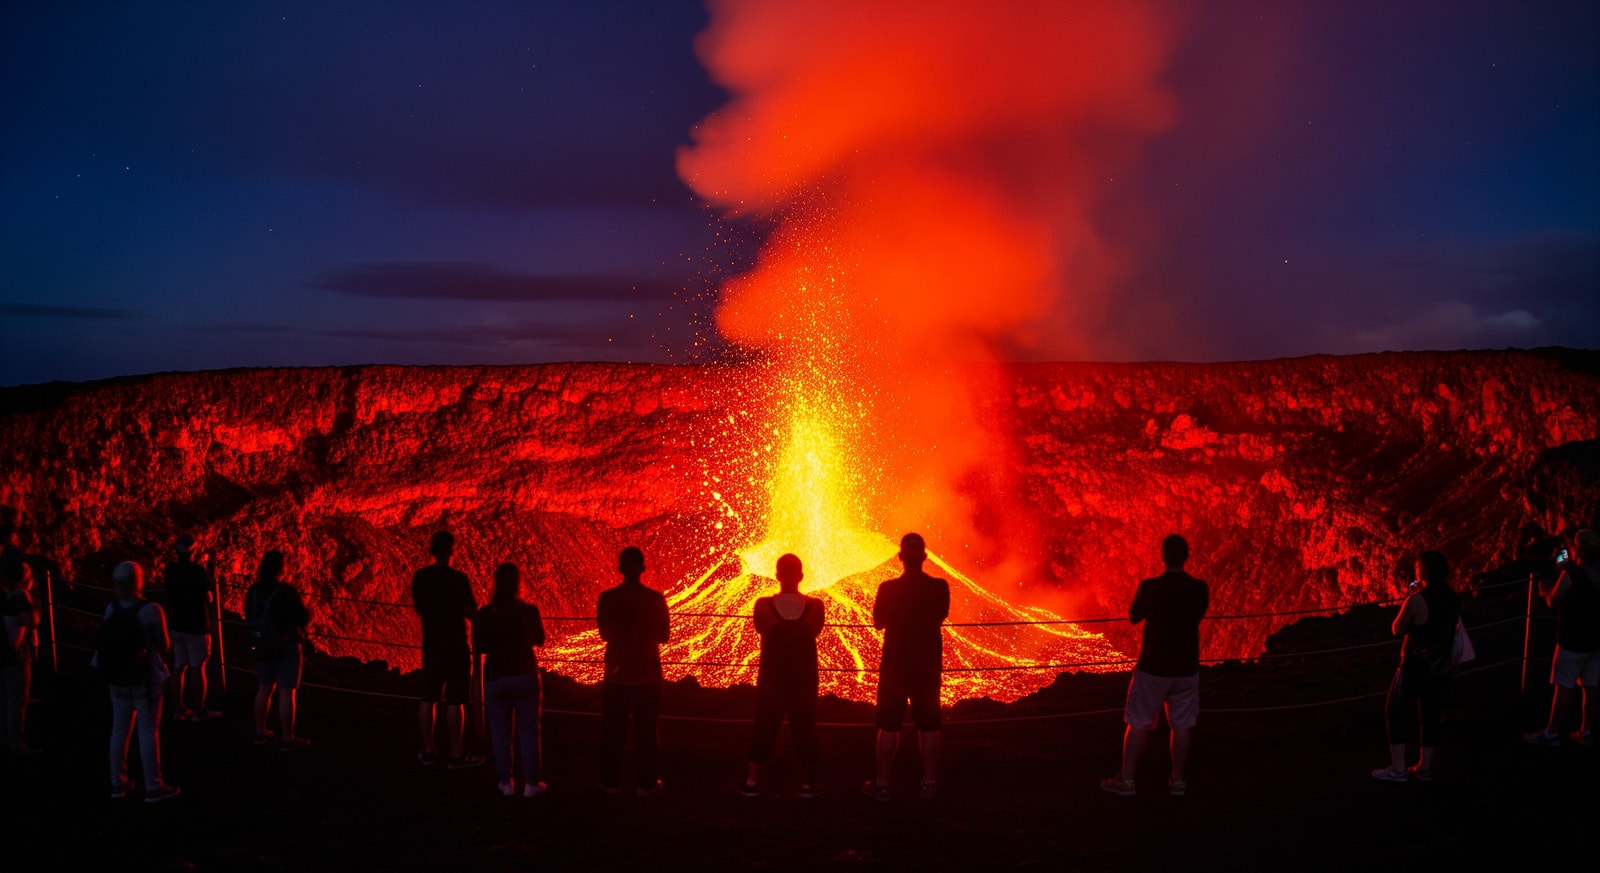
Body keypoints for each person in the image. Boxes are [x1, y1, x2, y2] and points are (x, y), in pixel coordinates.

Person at [1101, 534, 1210, 797]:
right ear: (1186, 557)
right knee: (1182, 724)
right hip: (1186, 667)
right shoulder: (1199, 588)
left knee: (1139, 721)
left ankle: (1126, 780)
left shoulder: (1150, 587)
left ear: (1163, 556)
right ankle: (1178, 781)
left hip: (1153, 667)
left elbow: (1134, 616)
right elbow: (1197, 615)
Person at [864, 533, 950, 801]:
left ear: (900, 557)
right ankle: (929, 783)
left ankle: (882, 784)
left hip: (895, 667)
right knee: (929, 725)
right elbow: (940, 616)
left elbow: (878, 622)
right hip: (926, 665)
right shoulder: (939, 587)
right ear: (924, 557)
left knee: (889, 725)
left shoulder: (888, 589)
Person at [741, 553, 825, 798]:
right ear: (801, 576)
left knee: (764, 728)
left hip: (772, 681)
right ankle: (807, 785)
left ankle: (751, 781)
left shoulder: (763, 607)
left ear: (777, 575)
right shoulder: (815, 607)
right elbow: (815, 631)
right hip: (804, 681)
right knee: (805, 730)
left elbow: (761, 628)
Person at [1372, 550, 1461, 782]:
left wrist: (1410, 598)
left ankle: (1398, 769)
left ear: (1424, 570)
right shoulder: (1453, 597)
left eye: (1418, 565)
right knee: (1431, 716)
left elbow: (1397, 628)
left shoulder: (1417, 599)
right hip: (1441, 667)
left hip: (1415, 667)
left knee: (1395, 712)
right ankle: (1424, 769)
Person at [99, 561, 180, 801]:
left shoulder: (111, 609)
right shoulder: (151, 610)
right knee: (148, 732)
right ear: (139, 581)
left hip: (116, 679)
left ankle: (118, 784)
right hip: (145, 680)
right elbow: (164, 646)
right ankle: (154, 786)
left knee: (119, 730)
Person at [597, 545, 670, 796]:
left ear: (620, 569)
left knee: (612, 732)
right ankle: (647, 784)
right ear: (642, 568)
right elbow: (664, 635)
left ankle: (610, 783)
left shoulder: (607, 598)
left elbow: (604, 633)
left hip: (616, 675)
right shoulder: (655, 599)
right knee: (647, 732)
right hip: (647, 674)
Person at [473, 562, 547, 797]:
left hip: (496, 677)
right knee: (528, 731)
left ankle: (505, 783)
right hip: (525, 674)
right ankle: (531, 785)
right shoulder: (528, 611)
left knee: (500, 732)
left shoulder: (486, 614)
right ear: (519, 584)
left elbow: (479, 645)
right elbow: (540, 639)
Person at [411, 531, 483, 769]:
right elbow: (471, 613)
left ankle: (428, 750)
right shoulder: (458, 579)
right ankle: (456, 754)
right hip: (455, 646)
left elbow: (420, 608)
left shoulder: (420, 577)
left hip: (432, 645)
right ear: (453, 551)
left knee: (428, 697)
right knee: (456, 700)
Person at [1524, 529, 1600, 746]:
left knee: (1563, 686)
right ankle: (1586, 731)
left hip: (1572, 639)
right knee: (1591, 685)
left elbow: (1553, 602)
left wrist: (1544, 591)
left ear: (1579, 550)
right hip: (1596, 640)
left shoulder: (1571, 574)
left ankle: (1551, 733)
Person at [246, 550, 311, 751]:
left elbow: (249, 616)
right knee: (286, 693)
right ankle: (287, 738)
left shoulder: (254, 591)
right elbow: (302, 617)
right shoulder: (286, 591)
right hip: (287, 645)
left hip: (262, 644)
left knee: (264, 688)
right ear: (281, 568)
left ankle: (260, 732)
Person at [162, 534, 220, 721]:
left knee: (179, 666)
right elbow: (209, 598)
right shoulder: (197, 571)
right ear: (193, 551)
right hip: (196, 625)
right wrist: (205, 570)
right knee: (198, 666)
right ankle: (199, 710)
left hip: (177, 624)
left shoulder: (170, 569)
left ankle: (179, 708)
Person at [1, 557, 41, 756]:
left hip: (3, 651)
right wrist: (35, 603)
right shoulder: (21, 597)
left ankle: (4, 739)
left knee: (4, 698)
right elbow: (32, 623)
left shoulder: (5, 594)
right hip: (14, 654)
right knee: (17, 700)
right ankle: (17, 745)